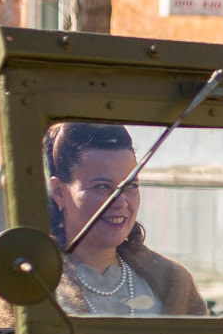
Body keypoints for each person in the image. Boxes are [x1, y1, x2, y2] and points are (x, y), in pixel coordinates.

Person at [45, 121, 207, 317]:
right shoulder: (28, 283)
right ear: (59, 192)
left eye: (131, 186)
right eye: (102, 187)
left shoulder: (173, 282)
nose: (120, 202)